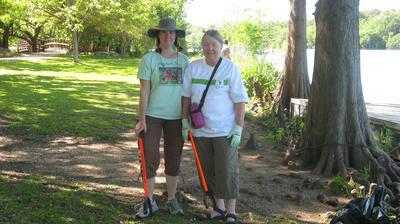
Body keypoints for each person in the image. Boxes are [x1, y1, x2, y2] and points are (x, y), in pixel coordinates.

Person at [181, 30, 248, 224]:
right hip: (200, 130)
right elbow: (186, 96)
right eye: (206, 44)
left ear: (220, 46)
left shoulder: (230, 68)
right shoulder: (194, 68)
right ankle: (218, 208)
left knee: (227, 169)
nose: (210, 48)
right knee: (208, 169)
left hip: (225, 130)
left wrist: (238, 127)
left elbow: (240, 101)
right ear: (202, 46)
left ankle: (231, 211)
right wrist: (184, 122)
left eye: (214, 44)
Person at [135, 17, 189, 219]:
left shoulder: (183, 61)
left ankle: (172, 198)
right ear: (158, 35)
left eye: (172, 32)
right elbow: (144, 91)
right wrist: (142, 120)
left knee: (174, 159)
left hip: (176, 118)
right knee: (150, 158)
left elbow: (187, 93)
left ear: (176, 36)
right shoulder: (149, 59)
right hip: (152, 116)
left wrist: (185, 120)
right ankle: (149, 200)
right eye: (164, 32)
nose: (168, 36)